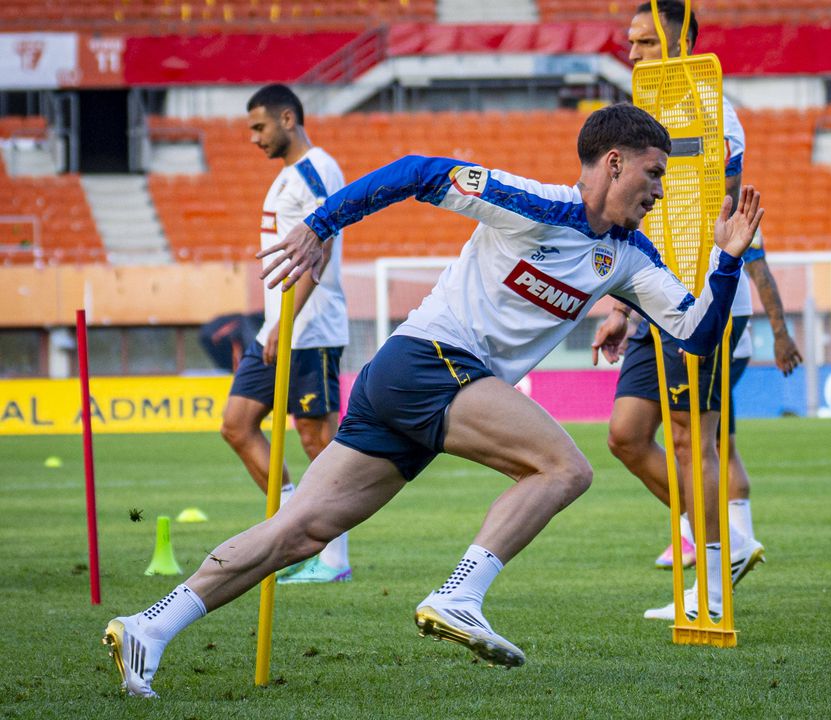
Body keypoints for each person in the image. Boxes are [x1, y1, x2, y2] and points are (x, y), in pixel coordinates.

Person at [101, 103, 765, 697]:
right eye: (654, 173)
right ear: (613, 163)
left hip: (416, 384)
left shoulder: (630, 257)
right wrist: (320, 225)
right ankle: (460, 596)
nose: (660, 190)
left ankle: (148, 628)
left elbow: (696, 333)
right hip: (427, 361)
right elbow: (418, 172)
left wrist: (728, 260)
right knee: (564, 468)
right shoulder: (536, 205)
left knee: (298, 532)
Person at [590, 1, 801, 620]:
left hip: (703, 302)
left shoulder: (714, 114)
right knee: (626, 436)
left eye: (646, 43)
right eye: (631, 42)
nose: (633, 54)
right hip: (651, 298)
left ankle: (709, 589)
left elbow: (717, 208)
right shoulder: (641, 116)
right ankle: (727, 543)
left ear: (682, 43)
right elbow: (637, 217)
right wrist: (622, 307)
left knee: (692, 440)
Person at [218, 84, 352, 583]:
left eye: (260, 127)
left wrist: (287, 320)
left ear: (288, 119)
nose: (254, 138)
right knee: (237, 424)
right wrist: (276, 323)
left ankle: (334, 560)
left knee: (318, 441)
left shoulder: (318, 168)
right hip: (278, 327)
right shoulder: (286, 177)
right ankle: (296, 532)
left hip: (310, 328)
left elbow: (323, 246)